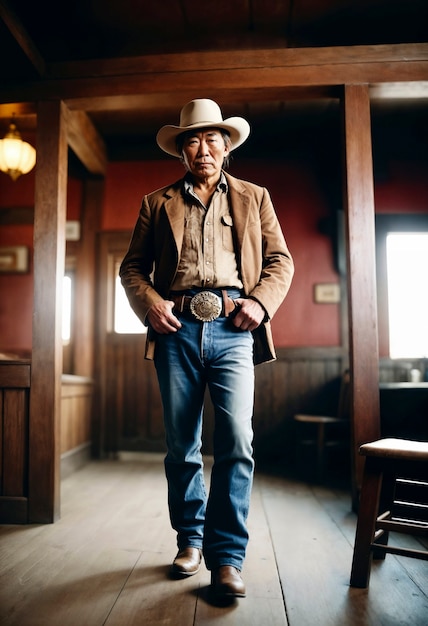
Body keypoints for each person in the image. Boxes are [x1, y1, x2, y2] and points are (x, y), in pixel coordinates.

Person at [119, 98, 294, 599]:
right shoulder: (156, 202)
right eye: (192, 139)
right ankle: (189, 540)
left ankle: (228, 556)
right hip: (174, 330)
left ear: (226, 145)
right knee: (183, 444)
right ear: (181, 150)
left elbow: (281, 260)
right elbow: (132, 268)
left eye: (212, 138)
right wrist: (149, 302)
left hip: (236, 329)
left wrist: (260, 303)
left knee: (238, 439)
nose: (203, 148)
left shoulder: (254, 197)